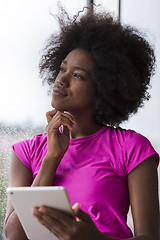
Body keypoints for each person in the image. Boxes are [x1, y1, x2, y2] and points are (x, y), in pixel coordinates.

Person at [4, 7, 159, 240]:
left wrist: (94, 238)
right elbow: (14, 235)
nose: (61, 79)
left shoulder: (132, 148)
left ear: (104, 89)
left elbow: (150, 237)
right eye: (62, 68)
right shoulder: (26, 152)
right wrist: (51, 158)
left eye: (78, 75)